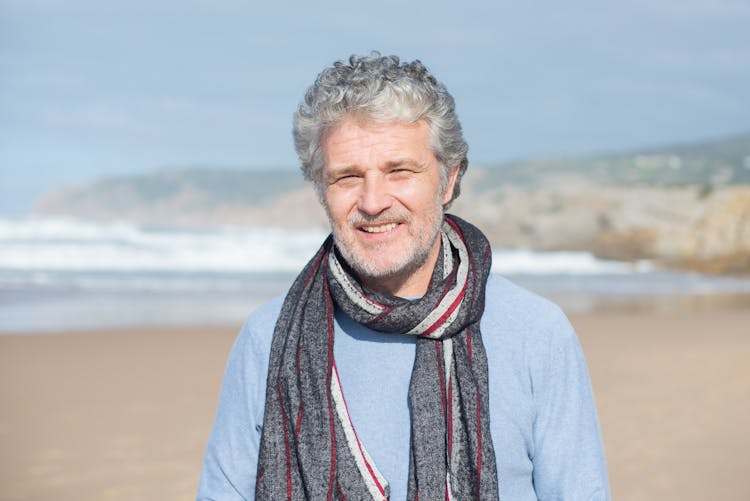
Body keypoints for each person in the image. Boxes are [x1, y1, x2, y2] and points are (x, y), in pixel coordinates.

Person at [197, 53, 610, 500]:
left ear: (448, 179)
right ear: (322, 190)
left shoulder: (538, 334)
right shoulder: (269, 339)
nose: (373, 202)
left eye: (400, 171)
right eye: (348, 177)